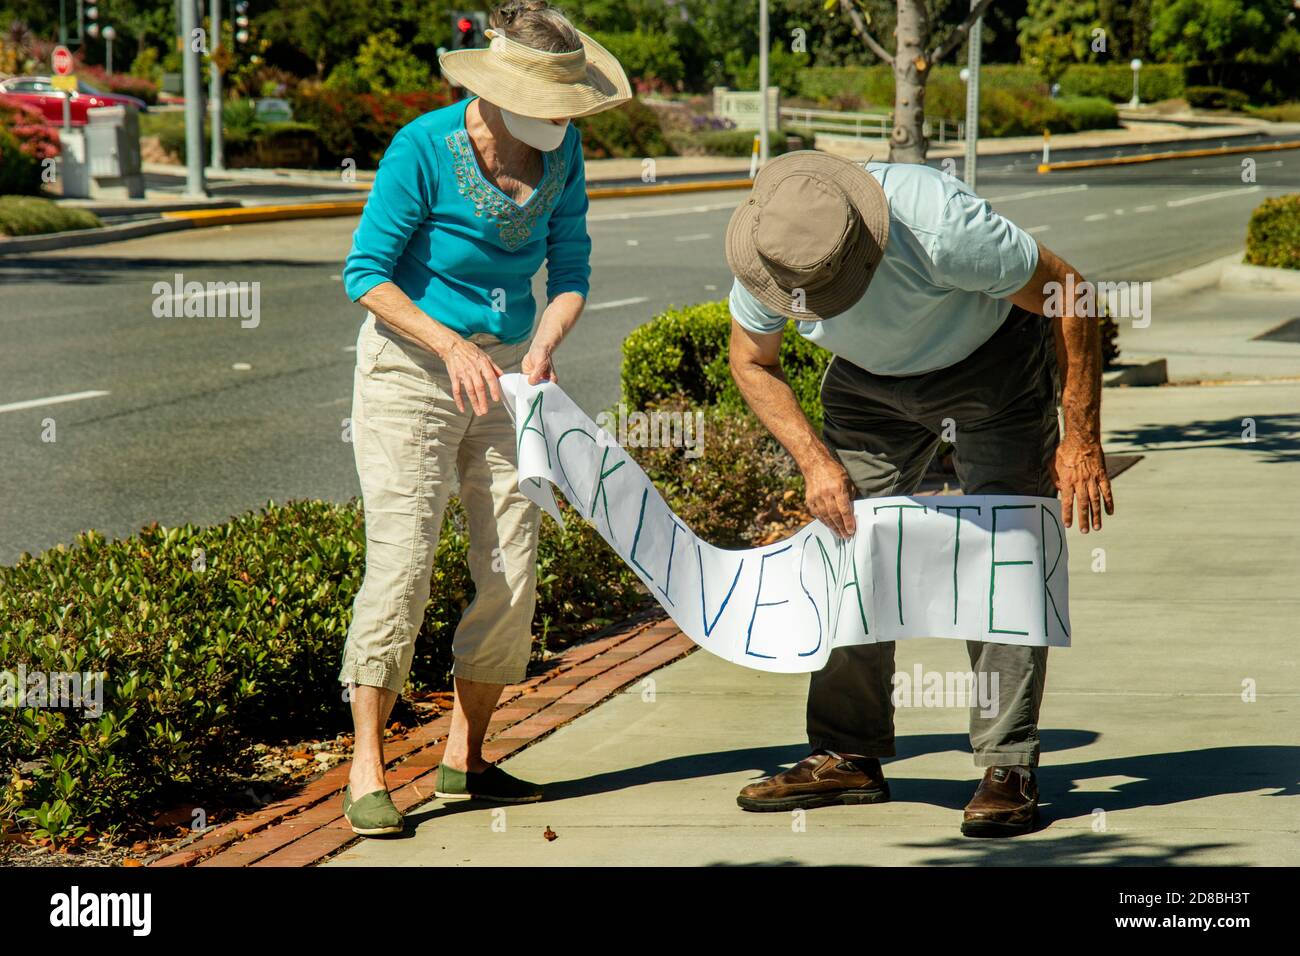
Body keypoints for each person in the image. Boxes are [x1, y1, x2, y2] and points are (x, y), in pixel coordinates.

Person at [724, 150, 1115, 837]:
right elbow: (752, 361)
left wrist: (1078, 430)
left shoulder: (934, 222)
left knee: (1004, 554)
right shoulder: (772, 250)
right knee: (848, 548)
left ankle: (1007, 765)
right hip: (868, 381)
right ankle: (848, 752)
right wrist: (817, 463)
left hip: (989, 362)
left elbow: (1070, 293)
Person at [335, 0, 630, 836]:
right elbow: (366, 274)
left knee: (512, 573)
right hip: (411, 373)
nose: (559, 124)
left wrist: (540, 343)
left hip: (505, 382)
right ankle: (367, 767)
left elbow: (570, 267)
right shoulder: (421, 148)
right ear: (496, 91)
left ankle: (465, 762)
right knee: (402, 568)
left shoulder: (563, 149)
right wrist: (450, 345)